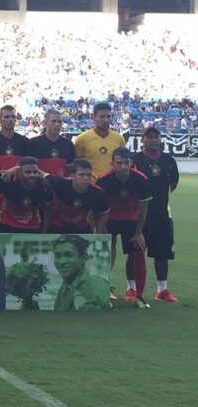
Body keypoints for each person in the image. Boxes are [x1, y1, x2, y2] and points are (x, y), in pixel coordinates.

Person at [97, 147, 152, 308]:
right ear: (112, 163)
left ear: (132, 163)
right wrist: (101, 230)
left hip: (131, 219)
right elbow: (98, 208)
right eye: (119, 163)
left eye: (126, 163)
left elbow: (143, 207)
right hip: (110, 219)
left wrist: (139, 232)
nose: (123, 167)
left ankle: (139, 295)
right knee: (104, 252)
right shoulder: (104, 180)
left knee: (138, 251)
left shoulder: (141, 179)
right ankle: (104, 290)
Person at [131, 126, 180, 302]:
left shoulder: (169, 161)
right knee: (134, 252)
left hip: (162, 214)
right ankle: (131, 289)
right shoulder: (134, 159)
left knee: (162, 253)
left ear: (160, 140)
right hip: (138, 214)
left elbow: (173, 183)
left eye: (156, 136)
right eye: (149, 136)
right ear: (142, 140)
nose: (153, 139)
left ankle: (162, 290)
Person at [45, 159, 109, 234]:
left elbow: (104, 213)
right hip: (57, 225)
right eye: (81, 175)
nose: (86, 178)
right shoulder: (59, 183)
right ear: (72, 176)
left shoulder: (98, 193)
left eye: (89, 175)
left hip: (80, 227)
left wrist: (98, 234)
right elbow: (43, 175)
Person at [0, 157, 53, 233]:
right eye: (28, 172)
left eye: (35, 172)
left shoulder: (44, 186)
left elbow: (48, 209)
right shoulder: (8, 181)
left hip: (32, 227)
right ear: (20, 172)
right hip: (7, 226)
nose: (32, 175)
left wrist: (44, 232)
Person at [52, 235, 111, 311]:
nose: (61, 261)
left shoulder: (98, 287)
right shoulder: (65, 287)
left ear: (84, 258)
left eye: (68, 255)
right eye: (58, 256)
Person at [73, 102, 126, 181]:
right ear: (94, 117)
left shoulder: (119, 139)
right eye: (102, 116)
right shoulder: (81, 139)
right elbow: (76, 166)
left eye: (109, 116)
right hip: (91, 185)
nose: (106, 120)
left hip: (112, 183)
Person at [27, 110, 75, 176]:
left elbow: (70, 169)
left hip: (61, 184)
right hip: (39, 184)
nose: (57, 124)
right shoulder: (33, 143)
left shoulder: (68, 145)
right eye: (53, 121)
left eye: (59, 122)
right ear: (45, 123)